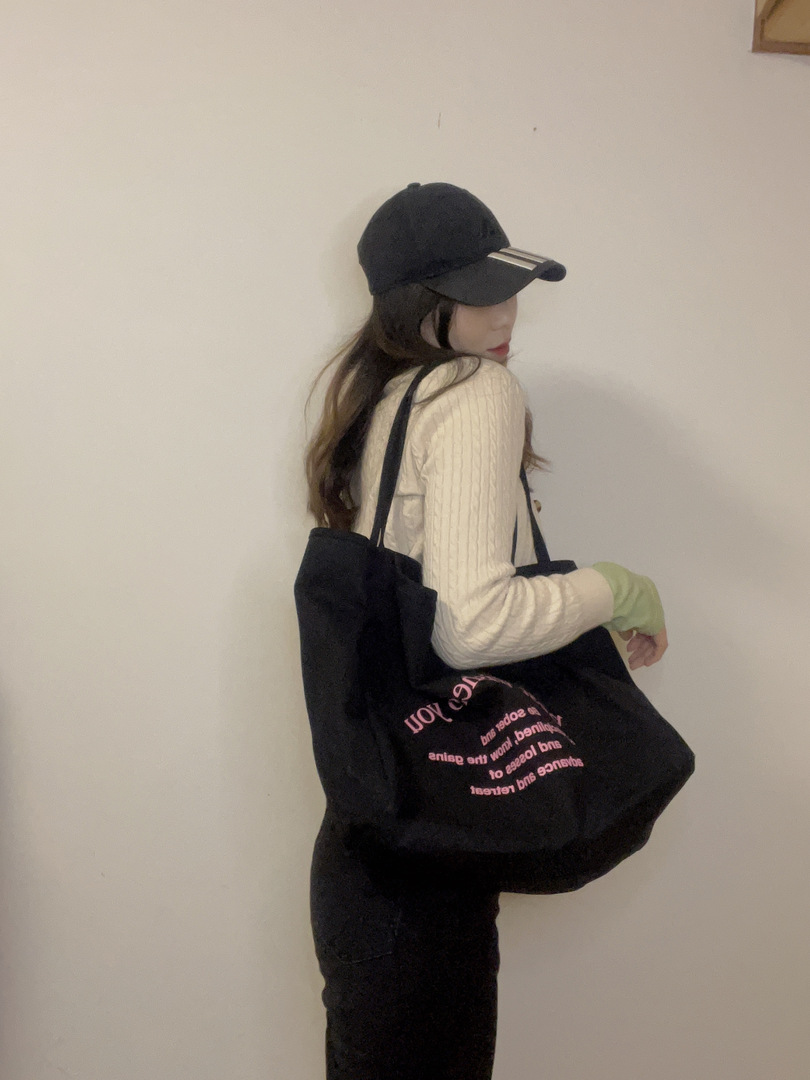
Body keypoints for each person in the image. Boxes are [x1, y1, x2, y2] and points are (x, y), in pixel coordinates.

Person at [303, 182, 667, 1080]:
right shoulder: (474, 391)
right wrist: (615, 589)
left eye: (510, 290)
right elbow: (471, 626)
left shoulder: (388, 398)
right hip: (424, 871)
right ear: (415, 303)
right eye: (476, 294)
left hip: (374, 840)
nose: (505, 316)